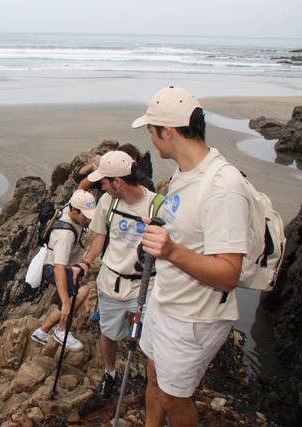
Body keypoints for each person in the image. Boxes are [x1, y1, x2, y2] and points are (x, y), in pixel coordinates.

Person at [132, 86, 249, 427]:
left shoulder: (222, 186)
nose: (151, 140)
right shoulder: (186, 172)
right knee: (154, 373)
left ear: (167, 132)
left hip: (195, 318)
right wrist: (160, 235)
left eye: (152, 132)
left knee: (173, 397)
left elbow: (229, 272)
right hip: (167, 300)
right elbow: (186, 228)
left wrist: (170, 250)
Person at [73, 150, 161, 398]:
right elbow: (100, 238)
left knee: (154, 339)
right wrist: (86, 262)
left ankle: (154, 383)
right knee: (108, 334)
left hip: (147, 286)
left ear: (118, 182)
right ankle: (110, 373)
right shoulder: (107, 202)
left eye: (104, 181)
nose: (101, 185)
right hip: (111, 282)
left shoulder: (157, 205)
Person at [30, 189, 96, 351]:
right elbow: (59, 268)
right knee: (79, 292)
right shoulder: (65, 235)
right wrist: (66, 301)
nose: (88, 219)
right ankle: (61, 330)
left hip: (63, 264)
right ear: (74, 211)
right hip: (52, 267)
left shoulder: (72, 203)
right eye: (85, 215)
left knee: (74, 295)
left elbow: (81, 185)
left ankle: (42, 332)